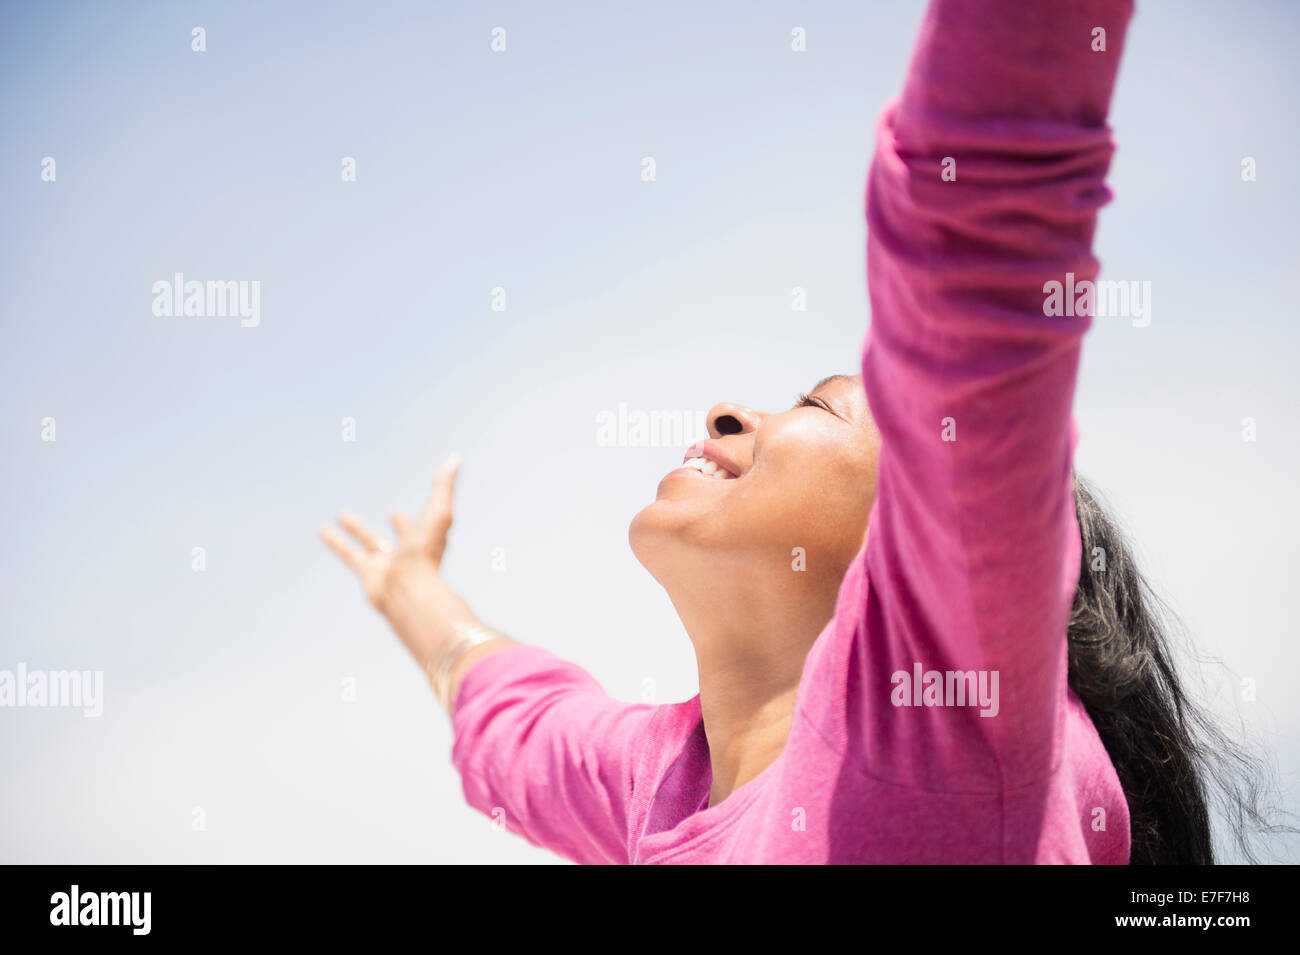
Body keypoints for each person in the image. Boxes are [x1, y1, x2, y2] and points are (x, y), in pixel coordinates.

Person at [321, 0, 1276, 863]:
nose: (729, 413)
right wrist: (411, 588)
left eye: (818, 406)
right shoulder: (659, 787)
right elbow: (515, 726)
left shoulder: (940, 728)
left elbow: (978, 216)